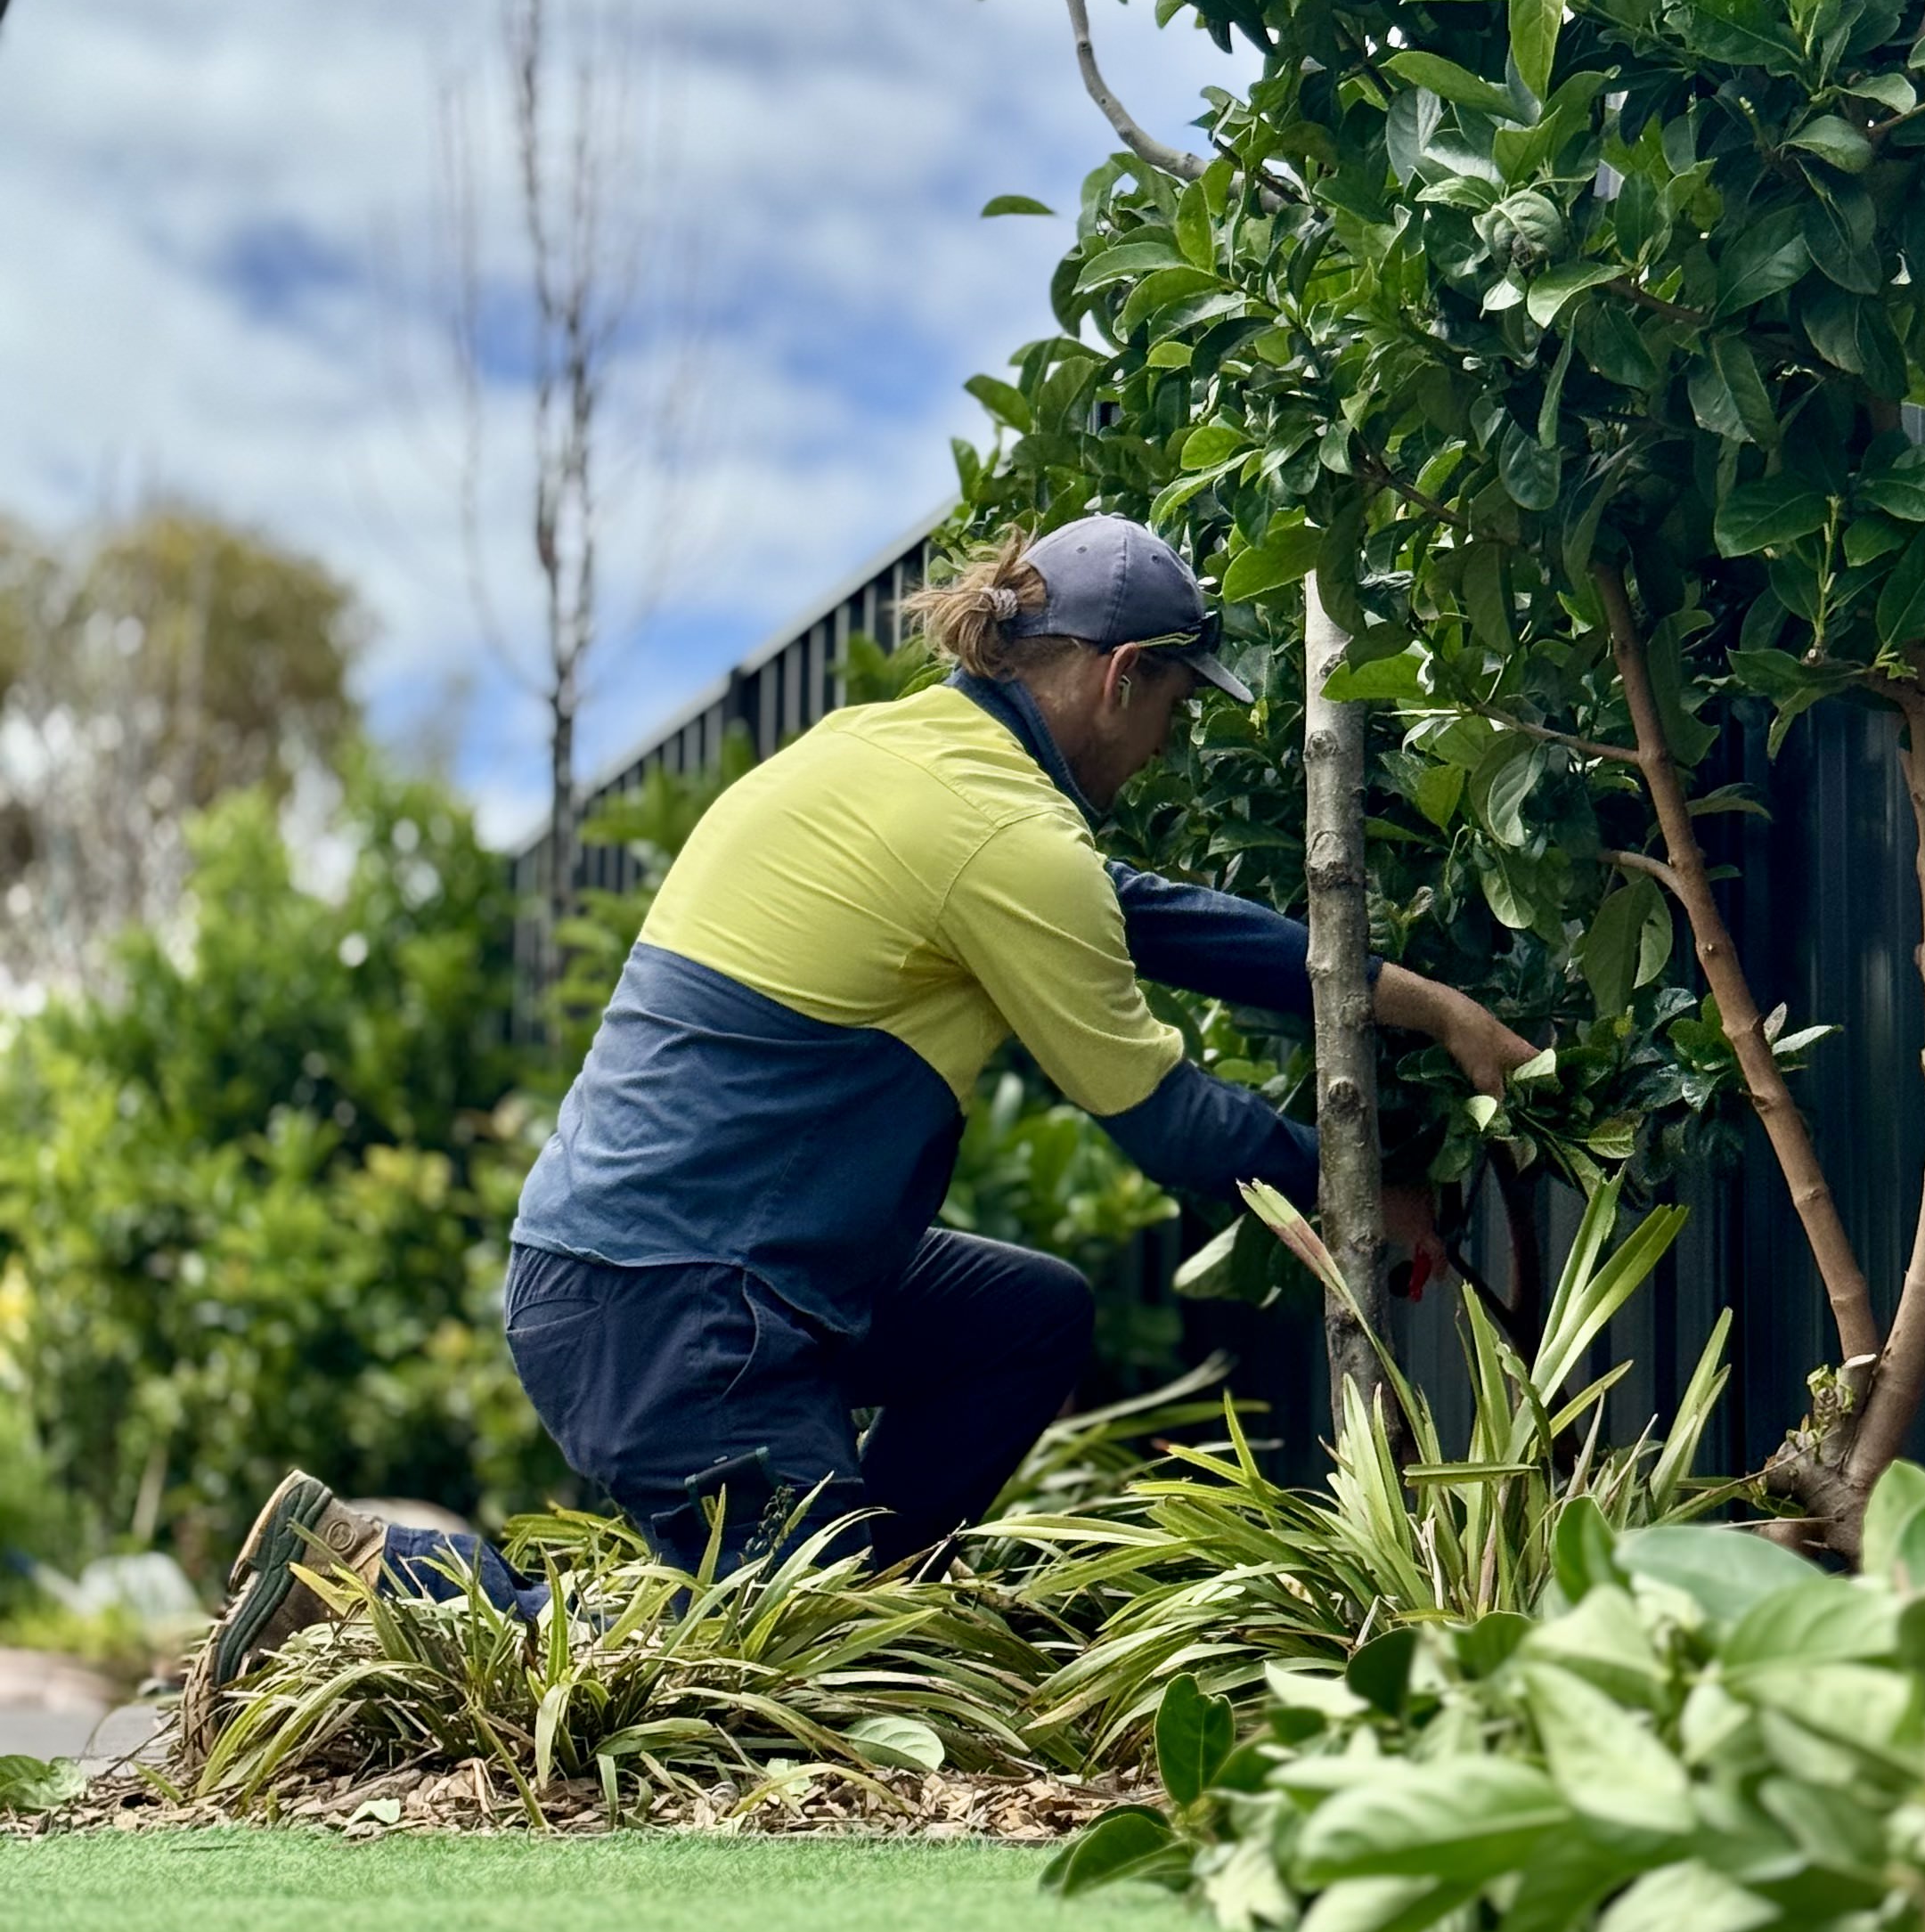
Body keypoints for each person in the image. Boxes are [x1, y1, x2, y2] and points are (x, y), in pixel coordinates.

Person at [180, 516, 1535, 1742]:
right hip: (681, 1305)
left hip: (657, 1272)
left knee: (1026, 1319)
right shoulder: (1004, 839)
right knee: (789, 1660)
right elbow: (1174, 1123)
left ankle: (854, 1580)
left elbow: (1152, 917)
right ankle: (380, 1573)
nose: (1168, 740)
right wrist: (1375, 1199)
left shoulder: (896, 752)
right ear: (1121, 676)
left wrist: (1428, 1007)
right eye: (1176, 704)